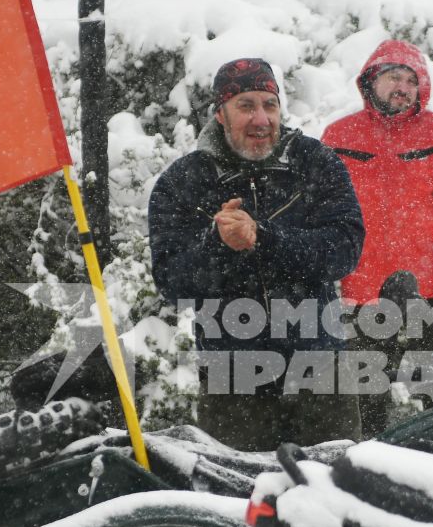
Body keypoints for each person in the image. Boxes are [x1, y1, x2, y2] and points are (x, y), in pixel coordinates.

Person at [148, 58, 365, 449]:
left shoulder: (315, 162)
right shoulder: (182, 182)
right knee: (236, 504)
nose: (261, 119)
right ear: (220, 114)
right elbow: (171, 281)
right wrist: (217, 244)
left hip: (320, 369)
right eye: (246, 105)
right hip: (233, 379)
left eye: (270, 104)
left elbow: (344, 250)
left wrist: (265, 238)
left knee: (336, 499)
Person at [322, 40, 433, 435]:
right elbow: (318, 211)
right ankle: (366, 474)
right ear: (371, 80)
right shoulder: (339, 135)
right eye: (394, 77)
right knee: (365, 398)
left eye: (412, 80)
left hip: (430, 290)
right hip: (361, 293)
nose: (403, 87)